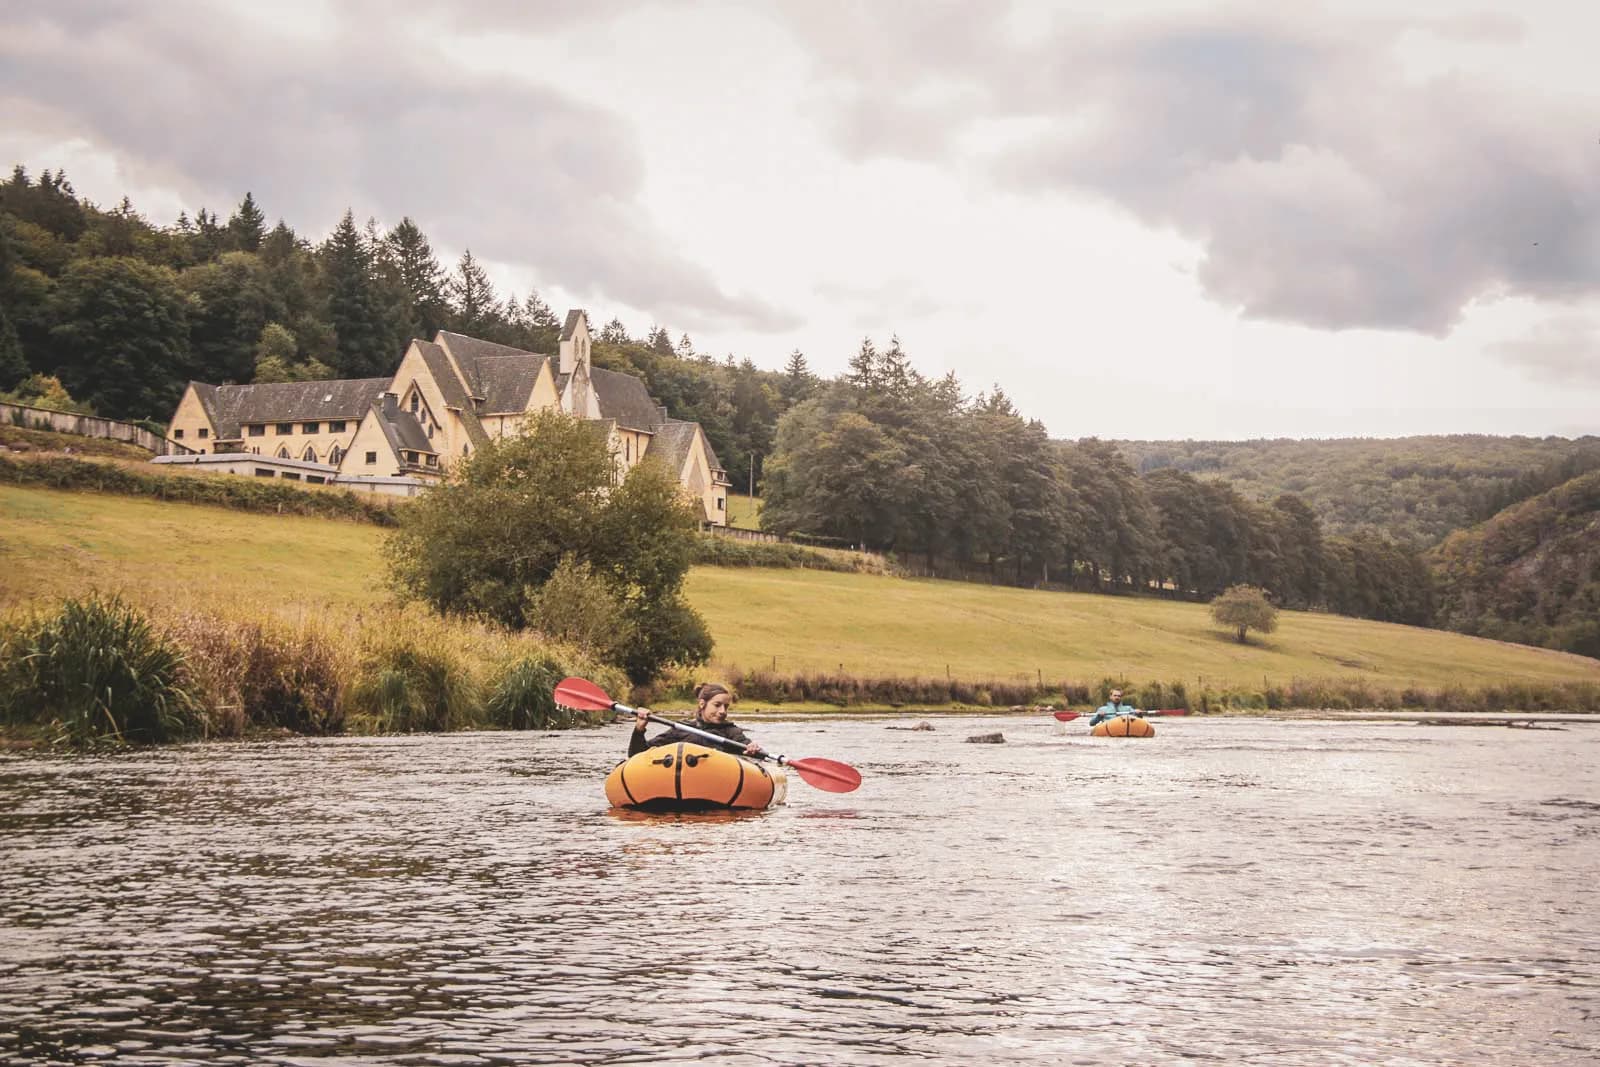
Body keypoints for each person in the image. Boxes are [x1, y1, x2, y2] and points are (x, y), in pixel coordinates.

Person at [629, 682, 765, 758]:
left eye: (726, 706)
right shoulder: (681, 729)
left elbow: (753, 753)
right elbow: (637, 755)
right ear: (702, 704)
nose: (723, 711)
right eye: (717, 705)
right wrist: (639, 729)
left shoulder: (731, 732)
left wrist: (753, 749)